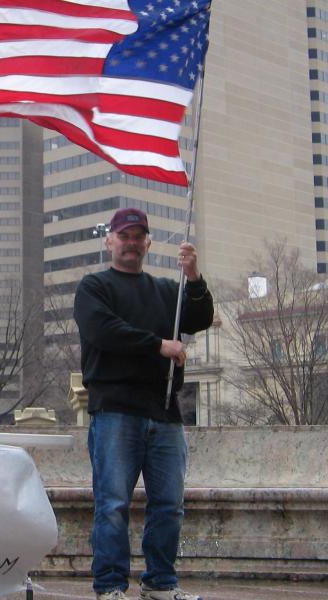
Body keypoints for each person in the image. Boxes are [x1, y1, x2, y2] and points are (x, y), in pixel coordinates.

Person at [73, 207, 214, 600]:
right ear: (110, 241)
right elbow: (104, 332)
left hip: (165, 412)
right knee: (113, 504)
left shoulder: (168, 291)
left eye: (139, 236)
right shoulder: (93, 287)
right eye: (124, 235)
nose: (131, 242)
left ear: (148, 243)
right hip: (115, 409)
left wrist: (193, 277)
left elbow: (201, 317)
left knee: (169, 504)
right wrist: (159, 346)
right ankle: (110, 585)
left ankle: (160, 582)